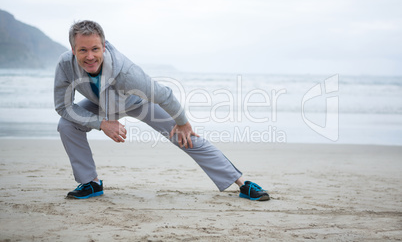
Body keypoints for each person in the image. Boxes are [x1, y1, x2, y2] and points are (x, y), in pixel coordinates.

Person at [54, 20, 269, 201]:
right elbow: (63, 106)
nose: (90, 56)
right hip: (99, 103)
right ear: (73, 50)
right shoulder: (65, 64)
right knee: (66, 125)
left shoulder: (127, 74)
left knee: (184, 137)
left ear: (104, 46)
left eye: (95, 49)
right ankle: (90, 183)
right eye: (83, 50)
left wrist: (183, 123)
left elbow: (165, 95)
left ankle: (241, 182)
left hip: (136, 102)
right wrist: (102, 123)